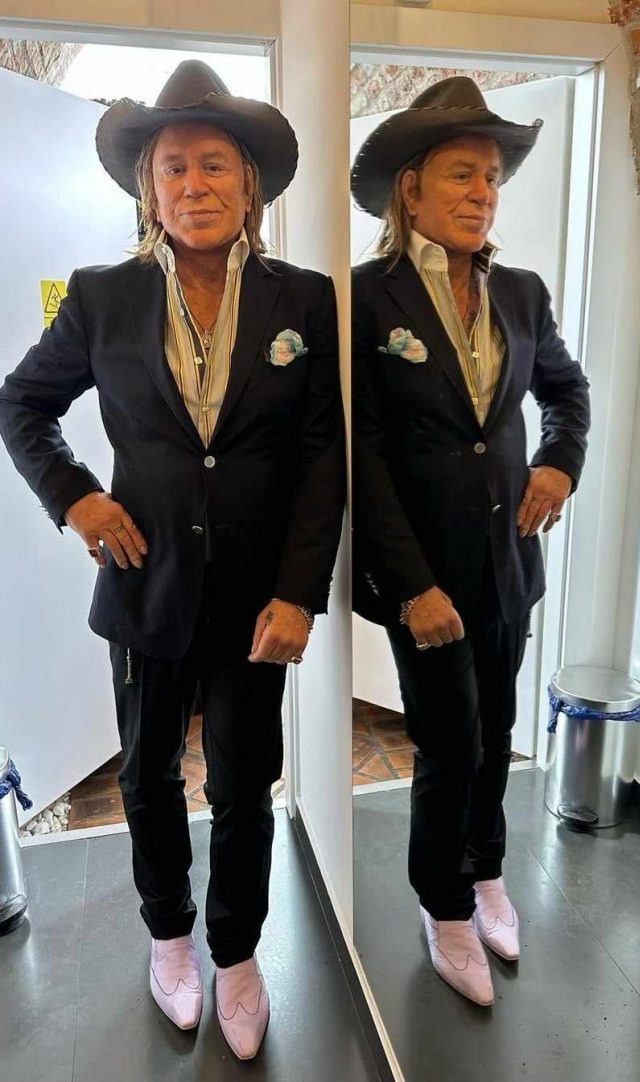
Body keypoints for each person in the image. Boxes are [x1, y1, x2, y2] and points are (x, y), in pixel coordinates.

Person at [0, 60, 345, 1058]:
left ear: (250, 186)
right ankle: (168, 938)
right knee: (149, 778)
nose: (195, 184)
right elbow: (22, 403)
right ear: (149, 191)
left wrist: (299, 592)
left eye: (215, 165)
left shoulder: (303, 300)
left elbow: (322, 456)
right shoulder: (102, 297)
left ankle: (235, 952)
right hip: (144, 588)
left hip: (256, 600)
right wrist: (76, 496)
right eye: (174, 167)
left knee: (245, 781)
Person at [351, 76, 590, 1007]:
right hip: (425, 578)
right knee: (447, 741)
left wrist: (559, 464)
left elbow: (565, 392)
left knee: (496, 731)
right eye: (463, 173)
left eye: (492, 176)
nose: (483, 191)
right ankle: (444, 904)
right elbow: (364, 457)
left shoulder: (521, 294)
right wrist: (411, 585)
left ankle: (486, 870)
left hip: (509, 566)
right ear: (411, 188)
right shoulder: (366, 298)